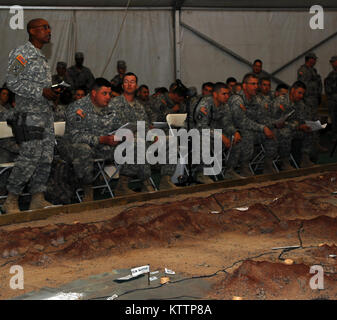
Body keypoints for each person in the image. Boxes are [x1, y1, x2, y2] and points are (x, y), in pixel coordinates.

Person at [3, 18, 59, 214]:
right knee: (29, 158)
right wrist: (40, 91)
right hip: (29, 117)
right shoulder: (21, 53)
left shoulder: (41, 57)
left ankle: (37, 198)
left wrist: (51, 93)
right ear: (32, 31)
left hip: (45, 115)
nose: (48, 30)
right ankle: (11, 200)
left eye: (48, 26)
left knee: (46, 158)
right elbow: (11, 81)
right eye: (44, 27)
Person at [109, 72, 177, 191]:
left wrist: (154, 136)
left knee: (169, 141)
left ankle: (165, 180)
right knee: (139, 143)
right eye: (126, 82)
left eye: (132, 82)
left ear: (136, 86)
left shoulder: (139, 106)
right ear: (122, 86)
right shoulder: (113, 104)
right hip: (121, 142)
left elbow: (145, 126)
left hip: (140, 140)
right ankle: (133, 184)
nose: (129, 85)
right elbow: (112, 128)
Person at [193, 82, 246, 181]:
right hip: (200, 134)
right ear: (215, 94)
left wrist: (235, 132)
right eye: (224, 94)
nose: (227, 96)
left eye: (228, 94)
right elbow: (201, 127)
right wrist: (220, 136)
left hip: (216, 134)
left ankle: (229, 171)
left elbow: (227, 124)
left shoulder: (224, 106)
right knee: (203, 140)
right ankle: (201, 173)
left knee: (237, 139)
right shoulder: (205, 104)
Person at [228, 73, 275, 175]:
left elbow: (261, 118)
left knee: (272, 133)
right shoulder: (237, 99)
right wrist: (263, 128)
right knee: (248, 134)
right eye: (253, 84)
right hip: (234, 131)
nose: (256, 87)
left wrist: (272, 125)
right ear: (244, 86)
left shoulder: (256, 99)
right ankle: (243, 166)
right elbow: (241, 122)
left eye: (257, 84)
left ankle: (268, 164)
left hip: (251, 129)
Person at [271, 81, 315, 167]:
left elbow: (302, 120)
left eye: (303, 94)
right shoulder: (281, 101)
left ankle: (305, 159)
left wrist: (307, 125)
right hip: (278, 129)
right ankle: (285, 162)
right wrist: (297, 125)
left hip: (293, 129)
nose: (301, 96)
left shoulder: (300, 104)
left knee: (308, 130)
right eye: (299, 93)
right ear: (292, 90)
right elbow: (276, 122)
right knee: (286, 132)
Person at [324, 56, 337, 135]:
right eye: (331, 62)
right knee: (334, 118)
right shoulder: (331, 74)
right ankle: (334, 134)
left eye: (334, 62)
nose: (332, 64)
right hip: (333, 101)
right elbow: (327, 88)